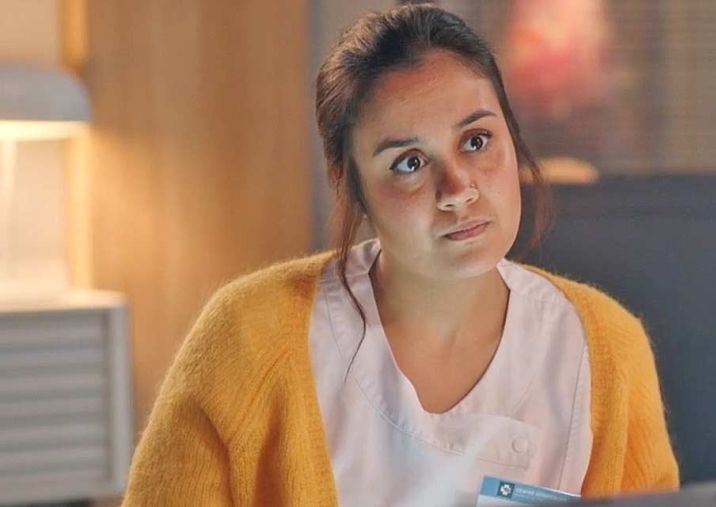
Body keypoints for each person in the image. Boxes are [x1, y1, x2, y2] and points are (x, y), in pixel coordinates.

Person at [122, 4, 678, 505]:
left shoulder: (606, 350)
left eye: (477, 141)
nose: (457, 189)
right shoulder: (249, 339)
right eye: (409, 163)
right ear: (355, 189)